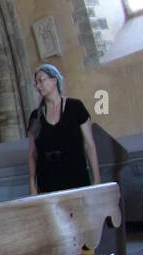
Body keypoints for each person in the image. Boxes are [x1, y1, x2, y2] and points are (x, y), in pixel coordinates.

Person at [27, 63, 100, 195]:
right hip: (48, 181)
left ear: (54, 80)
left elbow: (89, 144)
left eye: (41, 80)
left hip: (76, 177)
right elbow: (32, 154)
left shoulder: (75, 107)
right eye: (36, 83)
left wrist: (97, 178)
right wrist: (32, 184)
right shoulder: (35, 116)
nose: (38, 86)